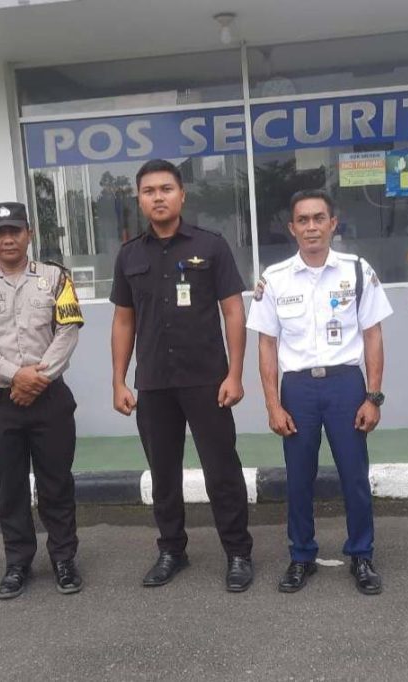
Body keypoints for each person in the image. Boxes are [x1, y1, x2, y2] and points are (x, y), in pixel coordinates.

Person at [109, 159, 254, 592]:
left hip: (207, 379)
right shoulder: (129, 255)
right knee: (163, 474)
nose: (158, 197)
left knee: (221, 470)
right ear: (139, 199)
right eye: (149, 191)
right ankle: (172, 549)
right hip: (154, 382)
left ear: (182, 195)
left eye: (166, 189)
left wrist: (235, 373)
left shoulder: (211, 246)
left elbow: (234, 312)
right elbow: (123, 321)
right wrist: (118, 380)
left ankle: (238, 553)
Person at [247, 189, 393, 595]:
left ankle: (361, 555)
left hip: (346, 385)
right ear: (292, 228)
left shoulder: (357, 271)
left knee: (354, 476)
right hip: (298, 389)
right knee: (298, 479)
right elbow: (266, 346)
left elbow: (373, 335)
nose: (311, 227)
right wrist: (273, 405)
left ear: (333, 223)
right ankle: (301, 556)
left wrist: (373, 396)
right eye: (303, 220)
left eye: (318, 218)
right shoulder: (275, 279)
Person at [0, 201, 84, 600]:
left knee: (56, 484)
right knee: (9, 488)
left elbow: (68, 331)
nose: (8, 238)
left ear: (29, 233)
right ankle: (17, 563)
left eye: (15, 230)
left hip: (49, 399)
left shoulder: (56, 278)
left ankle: (64, 559)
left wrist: (37, 379)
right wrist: (17, 375)